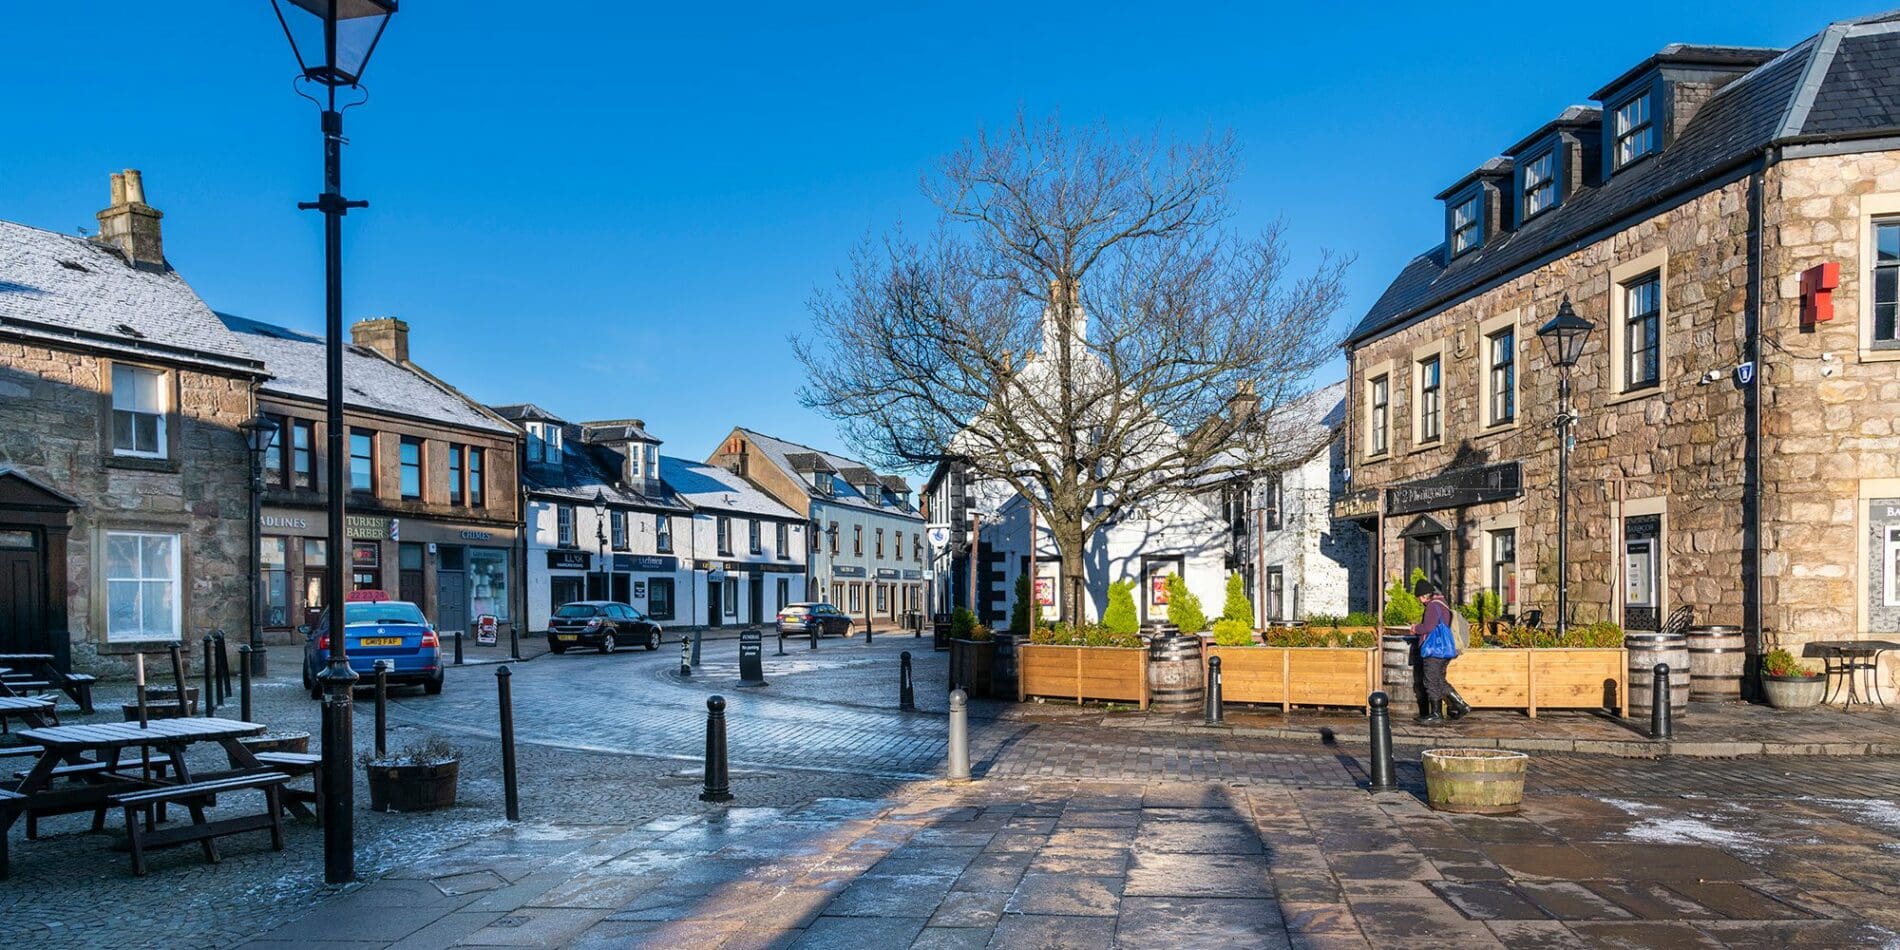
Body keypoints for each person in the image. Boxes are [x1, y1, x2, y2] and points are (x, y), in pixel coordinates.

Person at [1411, 579, 1471, 723]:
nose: (1419, 600)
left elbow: (1428, 628)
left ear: (1425, 595)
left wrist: (1414, 628)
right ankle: (1461, 705)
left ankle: (1436, 714)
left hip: (1435, 650)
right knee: (1439, 681)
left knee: (1431, 681)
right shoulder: (1442, 603)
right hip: (1445, 650)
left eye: (1419, 597)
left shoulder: (1432, 606)